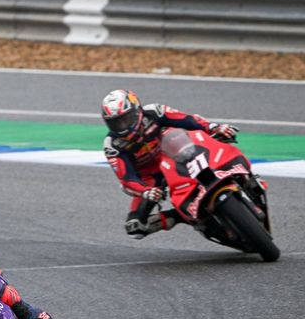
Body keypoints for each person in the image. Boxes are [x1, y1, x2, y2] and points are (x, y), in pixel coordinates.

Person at [101, 89, 240, 238]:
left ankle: (234, 170)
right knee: (135, 227)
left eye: (125, 119)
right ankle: (179, 216)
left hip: (175, 154)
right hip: (151, 177)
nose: (121, 126)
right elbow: (127, 178)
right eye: (115, 123)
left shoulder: (155, 112)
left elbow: (188, 120)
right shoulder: (113, 145)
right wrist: (145, 191)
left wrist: (213, 127)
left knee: (208, 141)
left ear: (137, 111)